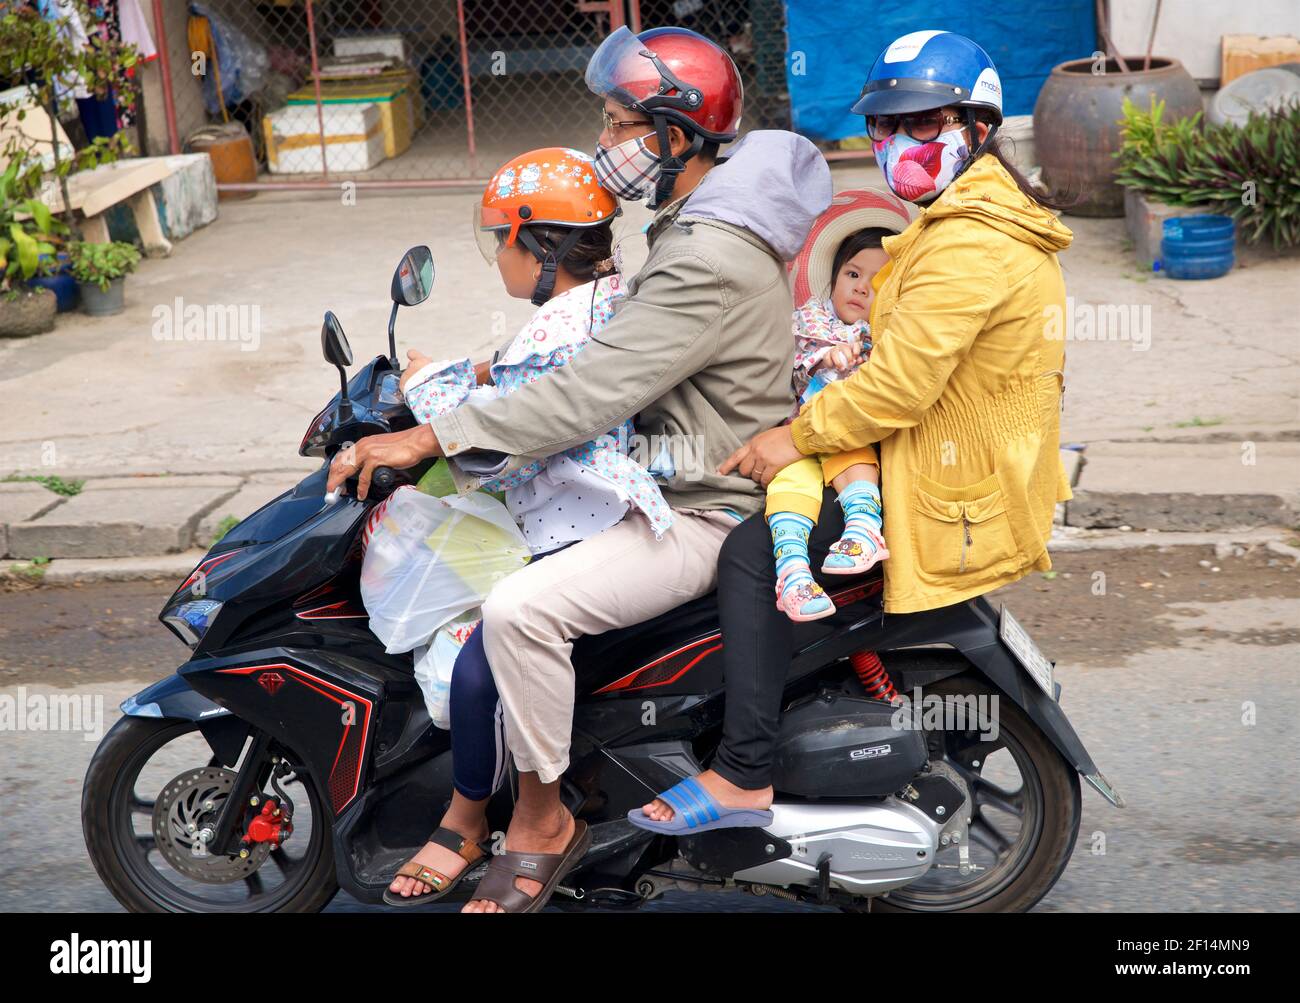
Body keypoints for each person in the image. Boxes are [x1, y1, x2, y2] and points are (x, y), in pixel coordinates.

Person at [326, 25, 831, 912]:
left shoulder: (705, 253)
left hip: (701, 509)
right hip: (662, 480)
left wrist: (429, 440)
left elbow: (591, 391)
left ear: (674, 134)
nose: (609, 144)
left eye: (619, 122)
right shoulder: (698, 226)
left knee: (518, 610)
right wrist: (476, 373)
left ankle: (542, 820)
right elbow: (604, 342)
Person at [634, 29, 1075, 832]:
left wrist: (794, 436)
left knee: (752, 550)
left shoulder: (971, 240)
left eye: (924, 124)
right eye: (884, 126)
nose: (898, 143)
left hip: (942, 483)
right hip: (943, 459)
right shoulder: (957, 219)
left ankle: (741, 771)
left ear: (978, 128)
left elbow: (900, 385)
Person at [381, 148, 673, 905]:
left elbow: (495, 432)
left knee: (479, 670)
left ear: (537, 244)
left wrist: (421, 395)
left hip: (579, 527)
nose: (498, 259)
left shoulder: (557, 329)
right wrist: (463, 370)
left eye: (501, 242)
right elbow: (508, 374)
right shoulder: (601, 300)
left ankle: (468, 818)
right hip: (601, 509)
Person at [764, 189, 914, 623]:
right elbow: (795, 363)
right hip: (799, 432)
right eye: (852, 274)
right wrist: (824, 358)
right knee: (789, 486)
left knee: (849, 448)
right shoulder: (811, 320)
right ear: (833, 277)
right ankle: (792, 570)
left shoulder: (891, 333)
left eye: (876, 281)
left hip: (846, 433)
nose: (861, 288)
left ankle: (863, 527)